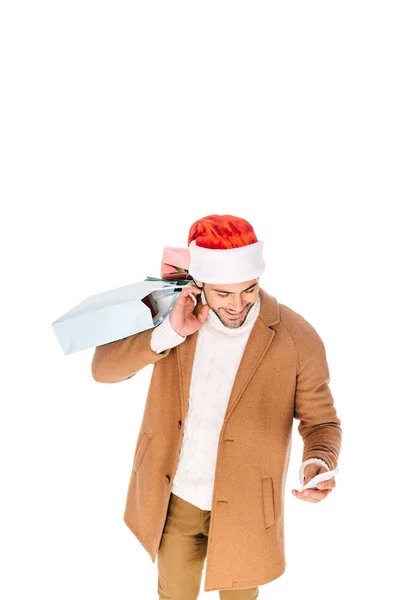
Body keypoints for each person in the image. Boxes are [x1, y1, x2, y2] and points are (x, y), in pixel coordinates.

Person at [91, 214, 342, 599]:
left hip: (247, 506)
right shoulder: (172, 315)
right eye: (224, 293)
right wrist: (170, 333)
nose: (238, 304)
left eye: (249, 290)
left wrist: (318, 461)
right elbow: (103, 370)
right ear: (201, 282)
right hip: (175, 498)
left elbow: (321, 421)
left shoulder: (297, 337)